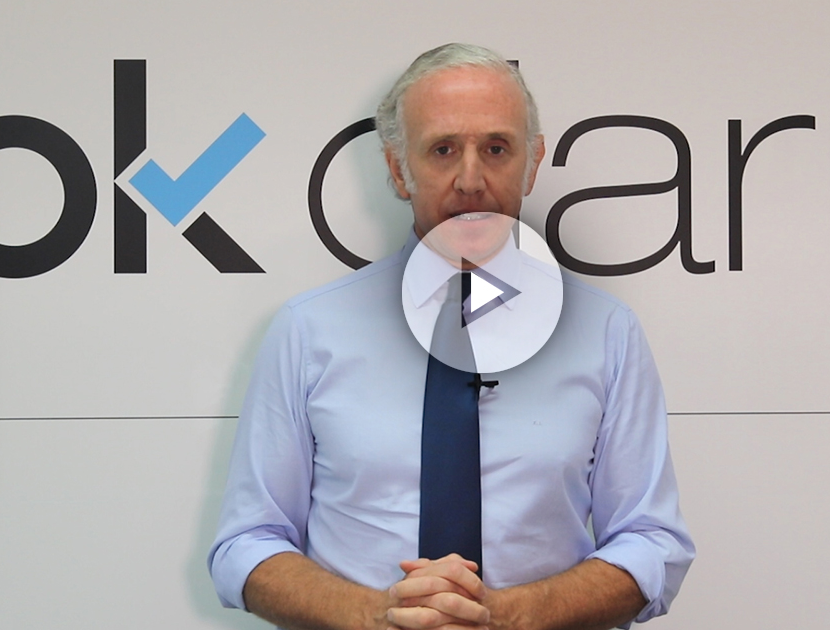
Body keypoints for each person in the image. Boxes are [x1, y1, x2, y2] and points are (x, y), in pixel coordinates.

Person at [208, 43, 694, 630]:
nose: (470, 180)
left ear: (532, 162)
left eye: (496, 148)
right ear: (398, 169)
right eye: (443, 150)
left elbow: (652, 543)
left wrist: (506, 617)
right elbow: (246, 545)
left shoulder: (606, 332)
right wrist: (377, 617)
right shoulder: (309, 329)